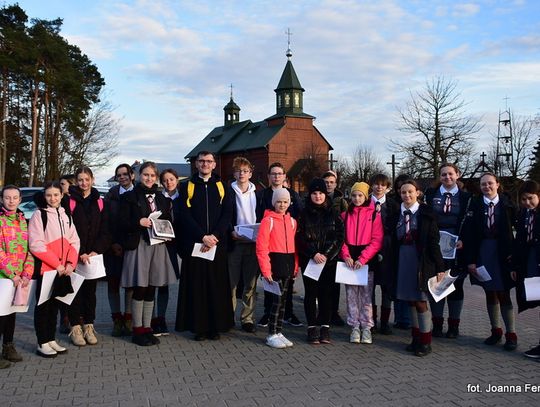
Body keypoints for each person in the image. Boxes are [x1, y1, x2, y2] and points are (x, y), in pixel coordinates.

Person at [175, 151, 234, 340]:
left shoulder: (223, 186)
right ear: (196, 164)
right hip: (195, 244)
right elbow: (183, 214)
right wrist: (202, 236)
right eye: (202, 161)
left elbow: (228, 214)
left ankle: (215, 327)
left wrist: (215, 236)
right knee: (197, 287)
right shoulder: (186, 186)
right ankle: (198, 327)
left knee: (216, 286)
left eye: (209, 161)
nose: (205, 164)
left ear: (214, 164)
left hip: (217, 245)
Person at [120, 161, 179, 346]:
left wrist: (169, 233)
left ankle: (147, 328)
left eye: (153, 176)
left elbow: (168, 221)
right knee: (140, 287)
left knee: (152, 286)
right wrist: (139, 222)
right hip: (140, 246)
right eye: (146, 175)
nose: (149, 178)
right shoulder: (130, 197)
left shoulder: (162, 198)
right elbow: (121, 223)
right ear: (138, 176)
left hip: (158, 246)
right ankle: (137, 330)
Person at [465, 173, 517, 350]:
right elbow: (470, 234)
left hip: (502, 253)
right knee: (490, 292)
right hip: (483, 251)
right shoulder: (476, 204)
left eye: (490, 183)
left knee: (503, 292)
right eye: (483, 184)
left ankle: (511, 334)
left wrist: (514, 256)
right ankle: (496, 331)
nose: (487, 187)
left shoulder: (508, 204)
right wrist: (471, 260)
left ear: (497, 184)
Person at [394, 179, 445, 357]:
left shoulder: (426, 213)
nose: (407, 195)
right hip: (403, 259)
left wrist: (440, 266)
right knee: (410, 300)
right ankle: (415, 337)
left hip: (421, 261)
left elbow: (433, 242)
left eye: (410, 192)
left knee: (421, 301)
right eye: (403, 192)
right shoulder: (396, 213)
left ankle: (425, 340)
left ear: (418, 193)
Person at [29, 181, 79, 358]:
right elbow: (36, 245)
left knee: (55, 307)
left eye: (56, 194)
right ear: (44, 196)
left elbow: (74, 241)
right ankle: (42, 342)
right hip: (47, 270)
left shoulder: (67, 215)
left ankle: (50, 339)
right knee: (43, 307)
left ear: (62, 195)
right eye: (49, 195)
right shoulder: (39, 215)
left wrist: (70, 264)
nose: (53, 198)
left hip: (63, 270)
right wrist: (56, 264)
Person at [63, 166, 111, 347]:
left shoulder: (100, 202)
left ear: (92, 179)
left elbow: (106, 230)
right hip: (74, 255)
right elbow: (67, 230)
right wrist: (79, 251)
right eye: (80, 180)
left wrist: (95, 250)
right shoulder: (69, 202)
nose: (84, 183)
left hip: (92, 257)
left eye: (87, 179)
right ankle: (75, 328)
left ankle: (89, 326)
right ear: (76, 181)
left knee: (91, 293)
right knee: (74, 292)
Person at [424, 163, 472, 339]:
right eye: (443, 175)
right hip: (435, 245)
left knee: (455, 285)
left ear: (457, 175)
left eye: (450, 174)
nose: (447, 177)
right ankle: (437, 324)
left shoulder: (467, 198)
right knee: (437, 283)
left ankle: (454, 325)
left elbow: (469, 223)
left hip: (456, 246)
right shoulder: (431, 194)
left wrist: (463, 239)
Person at [297, 178, 344, 344]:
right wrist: (313, 253)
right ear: (310, 195)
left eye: (321, 193)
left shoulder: (334, 213)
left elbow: (339, 237)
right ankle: (311, 327)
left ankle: (325, 327)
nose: (318, 196)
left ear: (326, 194)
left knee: (326, 294)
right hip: (310, 261)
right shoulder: (303, 214)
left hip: (328, 262)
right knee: (311, 294)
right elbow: (300, 237)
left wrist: (327, 254)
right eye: (314, 193)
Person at [256, 162, 303, 328]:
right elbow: (258, 215)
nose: (276, 176)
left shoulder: (293, 195)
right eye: (273, 174)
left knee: (288, 286)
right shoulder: (262, 195)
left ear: (284, 176)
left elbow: (298, 214)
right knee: (271, 284)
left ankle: (288, 313)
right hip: (271, 246)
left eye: (279, 173)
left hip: (288, 246)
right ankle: (268, 314)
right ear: (269, 177)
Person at [340, 182, 383, 344]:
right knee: (351, 295)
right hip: (349, 259)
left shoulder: (374, 215)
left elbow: (376, 240)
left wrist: (363, 258)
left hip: (366, 259)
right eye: (354, 195)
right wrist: (346, 256)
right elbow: (341, 239)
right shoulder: (345, 215)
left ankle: (366, 327)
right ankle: (354, 326)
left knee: (366, 296)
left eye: (360, 195)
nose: (357, 198)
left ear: (366, 196)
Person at [256, 188, 298, 348]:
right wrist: (266, 270)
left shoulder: (292, 222)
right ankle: (271, 334)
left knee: (284, 301)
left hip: (287, 264)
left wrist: (295, 267)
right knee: (276, 301)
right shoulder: (268, 221)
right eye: (279, 201)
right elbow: (261, 248)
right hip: (274, 264)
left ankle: (279, 331)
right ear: (274, 202)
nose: (282, 205)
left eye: (285, 202)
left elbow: (295, 248)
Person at [0, 185, 33, 368]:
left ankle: (8, 346)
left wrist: (26, 273)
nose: (11, 201)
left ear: (20, 200)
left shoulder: (22, 220)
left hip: (19, 277)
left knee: (12, 312)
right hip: (3, 276)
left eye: (14, 198)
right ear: (2, 199)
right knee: (0, 315)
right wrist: (11, 273)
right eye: (7, 198)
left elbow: (29, 249)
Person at [228, 157, 260, 333]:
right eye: (239, 170)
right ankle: (229, 317)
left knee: (250, 284)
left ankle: (247, 318)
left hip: (253, 244)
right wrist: (229, 231)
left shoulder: (258, 193)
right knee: (231, 284)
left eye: (245, 171)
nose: (242, 174)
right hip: (234, 242)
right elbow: (223, 216)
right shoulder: (227, 191)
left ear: (250, 173)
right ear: (234, 173)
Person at [104, 164, 135, 337]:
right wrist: (113, 244)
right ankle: (116, 320)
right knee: (113, 284)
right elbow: (105, 222)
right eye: (119, 175)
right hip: (113, 248)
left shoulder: (138, 194)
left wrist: (128, 244)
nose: (122, 177)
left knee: (130, 285)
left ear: (132, 175)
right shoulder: (111, 196)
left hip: (131, 247)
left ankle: (129, 319)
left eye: (125, 174)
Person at [512, 180, 540, 358]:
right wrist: (515, 264)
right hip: (529, 264)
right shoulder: (524, 214)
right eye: (523, 199)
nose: (527, 202)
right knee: (537, 301)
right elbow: (520, 240)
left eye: (530, 198)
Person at [369, 173, 400, 335]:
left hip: (388, 249)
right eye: (376, 184)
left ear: (387, 187)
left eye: (383, 185)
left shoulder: (394, 205)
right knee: (370, 286)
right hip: (369, 249)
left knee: (387, 287)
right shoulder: (366, 203)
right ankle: (371, 321)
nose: (379, 187)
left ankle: (385, 322)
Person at [151, 168, 180, 336]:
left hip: (179, 244)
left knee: (166, 282)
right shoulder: (159, 198)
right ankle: (155, 319)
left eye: (171, 179)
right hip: (162, 243)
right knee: (157, 281)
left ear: (176, 179)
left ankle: (161, 317)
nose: (169, 182)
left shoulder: (183, 196)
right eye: (165, 180)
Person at [322, 170, 348, 326]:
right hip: (320, 246)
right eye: (326, 182)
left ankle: (334, 312)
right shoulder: (317, 198)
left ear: (336, 184)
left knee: (335, 283)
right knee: (321, 282)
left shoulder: (341, 202)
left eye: (331, 182)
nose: (329, 185)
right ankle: (323, 310)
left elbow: (345, 223)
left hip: (336, 247)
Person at [390, 174, 412, 330]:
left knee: (411, 285)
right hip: (397, 250)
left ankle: (410, 318)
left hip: (412, 251)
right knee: (397, 284)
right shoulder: (394, 206)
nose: (403, 192)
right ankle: (400, 317)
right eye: (399, 189)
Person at [57, 174, 75, 334]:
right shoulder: (59, 202)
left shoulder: (75, 201)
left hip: (75, 250)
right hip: (61, 251)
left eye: (64, 184)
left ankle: (76, 317)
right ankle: (64, 318)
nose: (62, 186)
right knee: (63, 287)